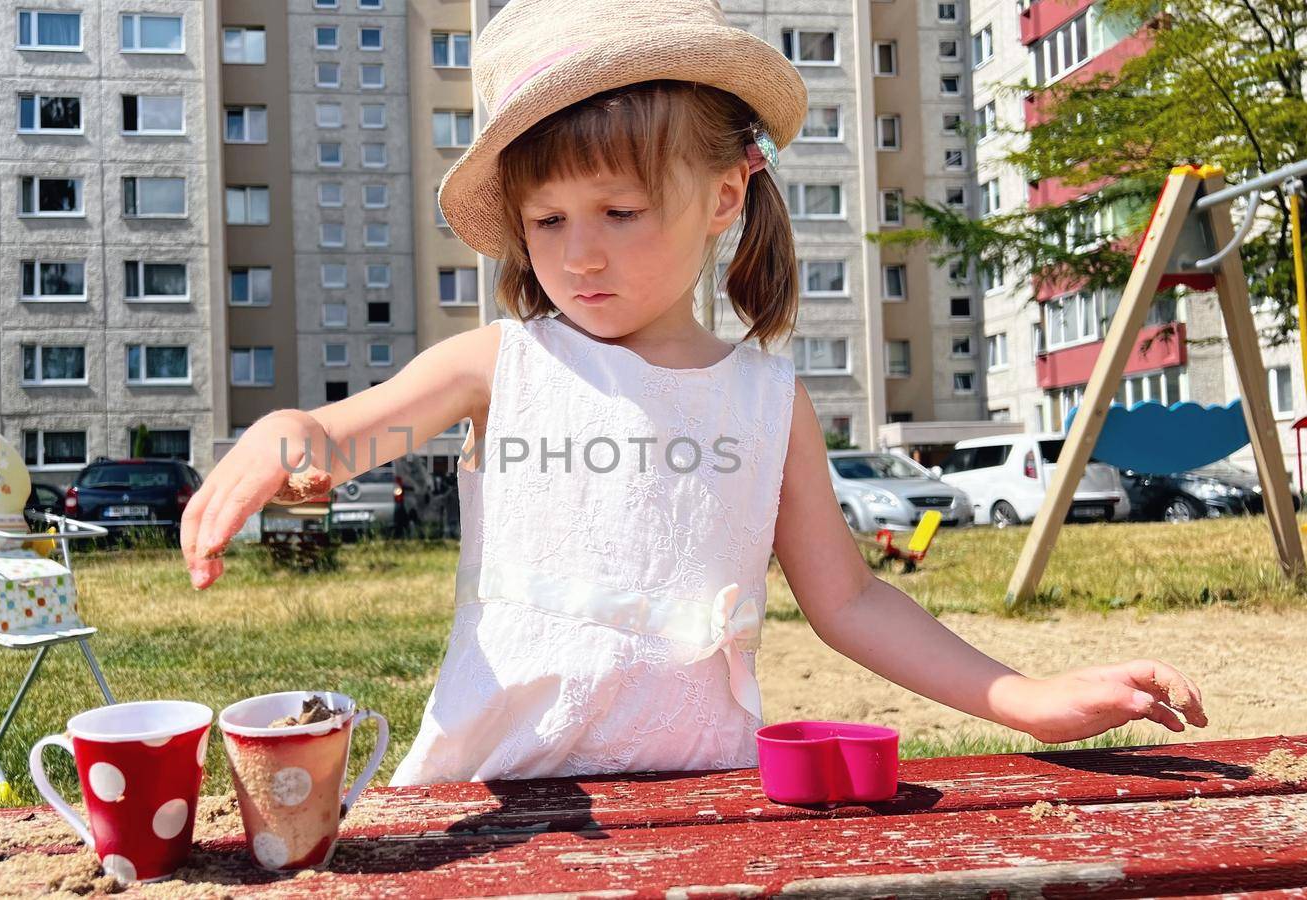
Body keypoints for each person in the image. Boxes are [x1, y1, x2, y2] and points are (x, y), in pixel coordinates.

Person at [182, 0, 1207, 784]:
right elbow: (338, 437)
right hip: (495, 790)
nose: (578, 255)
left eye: (619, 210)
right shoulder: (502, 365)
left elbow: (846, 597)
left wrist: (1024, 698)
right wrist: (286, 435)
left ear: (724, 197)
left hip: (699, 790)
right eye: (544, 221)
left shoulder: (766, 399)